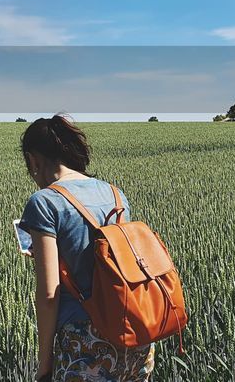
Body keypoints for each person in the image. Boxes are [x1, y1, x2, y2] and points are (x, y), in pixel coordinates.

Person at [18, 115, 155, 382]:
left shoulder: (44, 202)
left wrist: (44, 365)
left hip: (85, 344)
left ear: (33, 159)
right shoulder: (115, 194)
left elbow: (48, 294)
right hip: (134, 335)